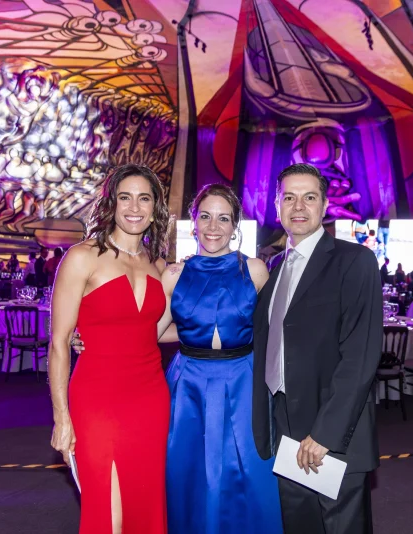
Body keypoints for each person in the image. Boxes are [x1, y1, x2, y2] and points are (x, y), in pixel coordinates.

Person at [252, 163, 382, 533]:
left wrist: (325, 433)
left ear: (324, 206)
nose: (298, 206)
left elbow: (360, 356)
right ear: (277, 206)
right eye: (289, 197)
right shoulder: (276, 266)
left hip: (332, 433)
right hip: (284, 427)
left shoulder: (354, 261)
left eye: (309, 197)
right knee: (300, 526)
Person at [48, 164, 170, 534]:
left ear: (155, 208)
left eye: (144, 198)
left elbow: (153, 332)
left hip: (150, 399)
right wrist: (62, 417)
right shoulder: (82, 257)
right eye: (125, 197)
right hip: (97, 398)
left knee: (143, 507)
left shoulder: (158, 265)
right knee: (108, 511)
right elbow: (58, 342)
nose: (134, 207)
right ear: (111, 204)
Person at [158, 184, 282, 534]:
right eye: (206, 217)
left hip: (243, 378)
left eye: (223, 218)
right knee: (190, 471)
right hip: (189, 383)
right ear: (193, 223)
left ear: (235, 225)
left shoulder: (255, 270)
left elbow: (276, 330)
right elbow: (153, 333)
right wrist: (89, 338)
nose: (214, 227)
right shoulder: (174, 274)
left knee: (249, 472)